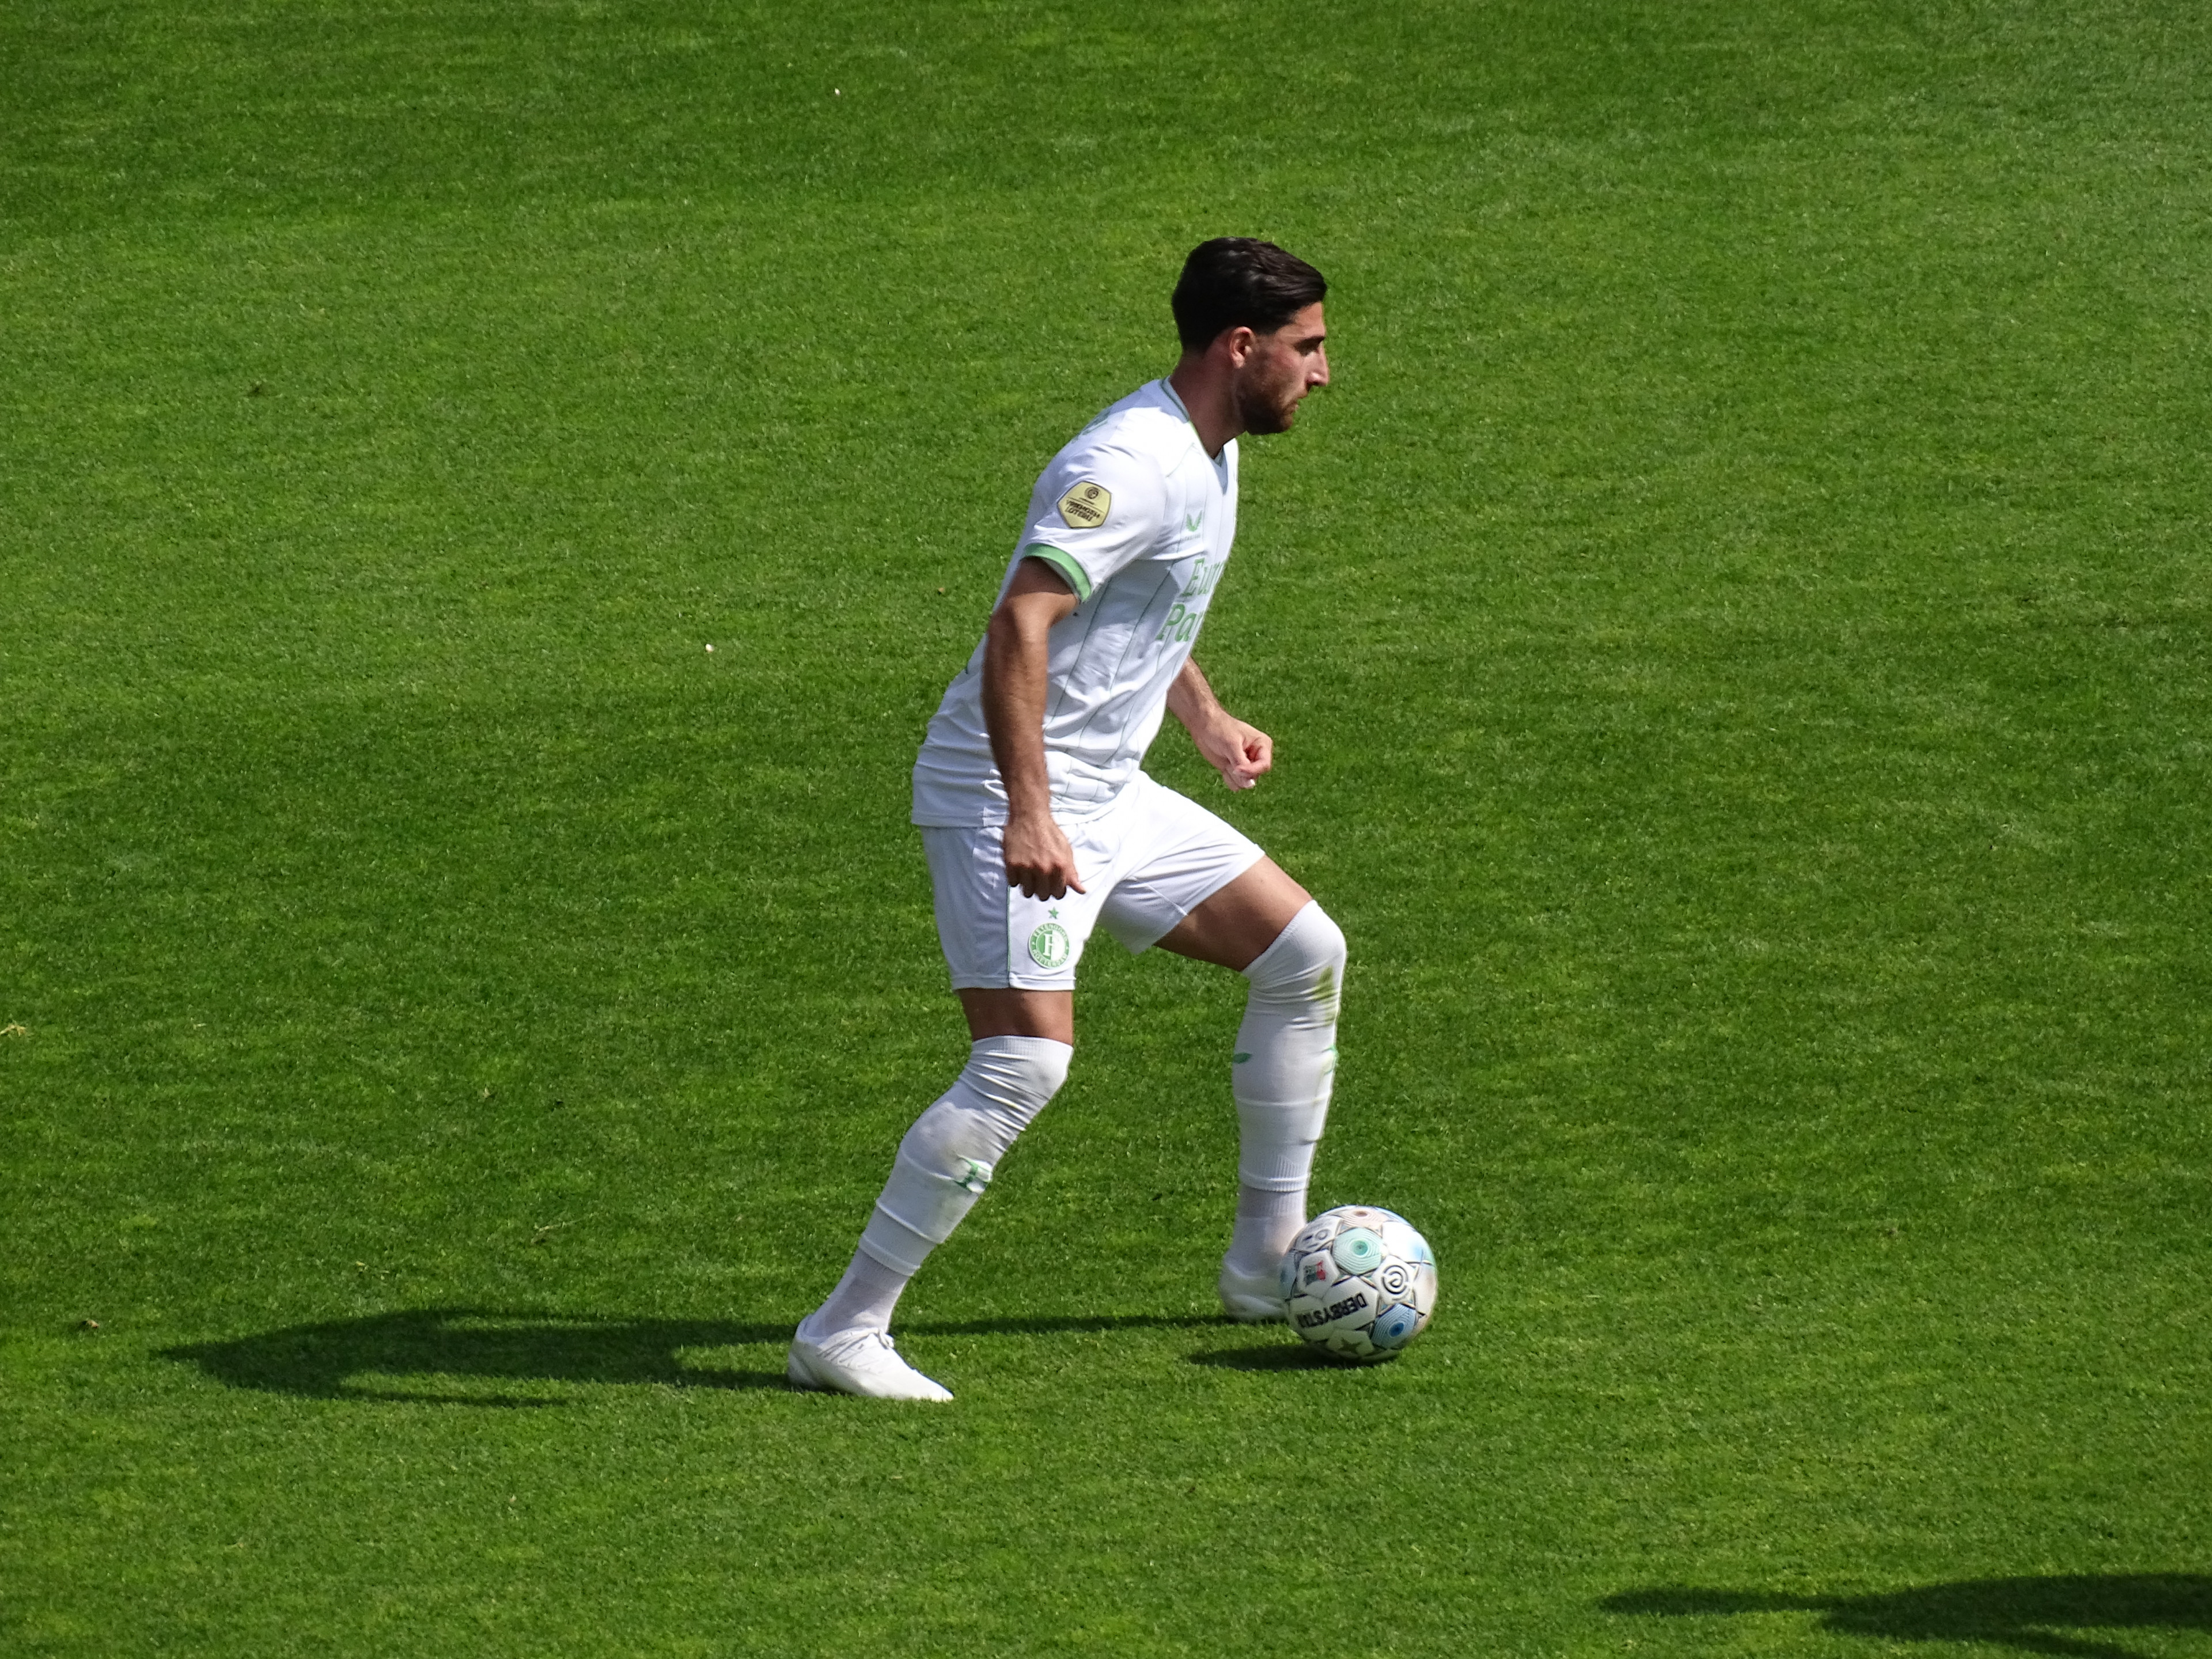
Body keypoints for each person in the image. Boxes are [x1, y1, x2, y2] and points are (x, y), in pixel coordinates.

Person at [788, 237, 1343, 1402]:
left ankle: (1263, 1261)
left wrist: (1203, 716)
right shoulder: (1129, 463)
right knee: (1022, 1063)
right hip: (1006, 793)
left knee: (1302, 954)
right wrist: (1033, 815)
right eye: (1308, 348)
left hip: (1109, 791)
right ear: (1241, 346)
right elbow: (1021, 624)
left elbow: (1147, 605)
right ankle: (843, 1331)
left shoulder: (1214, 450)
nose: (1322, 373)